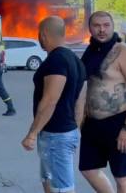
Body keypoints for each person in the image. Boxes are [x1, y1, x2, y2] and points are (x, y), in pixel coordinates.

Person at [80, 11, 126, 193]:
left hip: (120, 122)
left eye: (106, 25)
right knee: (88, 169)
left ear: (112, 27)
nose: (101, 30)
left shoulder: (124, 52)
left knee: (123, 178)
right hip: (92, 123)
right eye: (97, 26)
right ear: (90, 28)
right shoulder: (91, 52)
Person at [21, 16, 87, 193]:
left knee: (62, 188)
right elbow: (81, 99)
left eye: (38, 35)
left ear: (44, 35)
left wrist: (32, 134)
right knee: (48, 180)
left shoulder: (56, 61)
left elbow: (50, 100)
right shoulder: (76, 60)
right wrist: (76, 127)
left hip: (55, 135)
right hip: (66, 131)